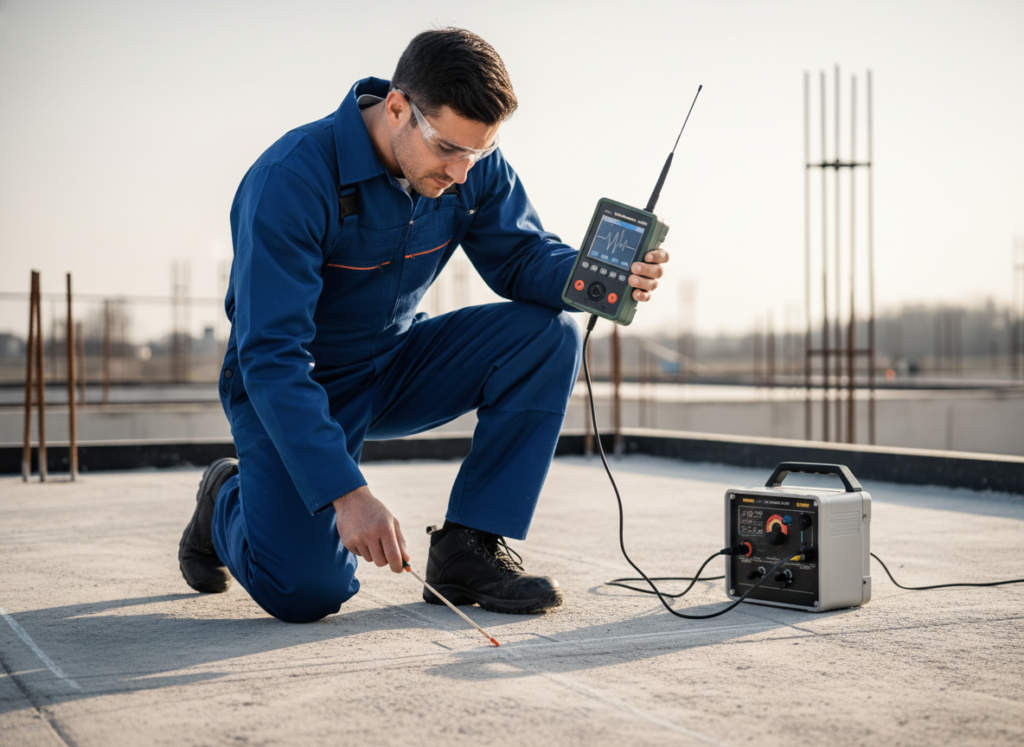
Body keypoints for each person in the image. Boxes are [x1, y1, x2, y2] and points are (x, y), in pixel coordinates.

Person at [178, 27, 669, 623]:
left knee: (548, 336)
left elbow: (520, 255)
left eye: (478, 153)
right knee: (306, 592)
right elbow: (271, 355)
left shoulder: (471, 166)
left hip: (392, 366)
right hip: (289, 387)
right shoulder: (292, 179)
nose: (462, 173)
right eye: (448, 151)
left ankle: (470, 546)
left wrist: (592, 278)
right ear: (396, 108)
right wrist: (348, 494)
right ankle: (227, 497)